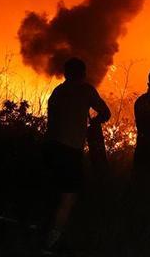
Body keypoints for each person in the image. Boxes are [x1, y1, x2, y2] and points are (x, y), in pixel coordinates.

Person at [42, 57, 110, 252]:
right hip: (69, 151)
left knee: (53, 191)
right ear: (83, 74)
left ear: (65, 74)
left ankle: (43, 229)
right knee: (69, 196)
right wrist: (95, 122)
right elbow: (105, 113)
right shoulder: (86, 89)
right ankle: (53, 240)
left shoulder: (57, 91)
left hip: (49, 148)